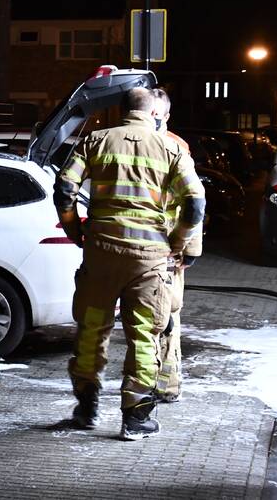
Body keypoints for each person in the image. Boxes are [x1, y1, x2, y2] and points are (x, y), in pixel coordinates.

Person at [54, 86, 205, 440]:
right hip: (150, 261)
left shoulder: (96, 140)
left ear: (119, 112)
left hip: (101, 255)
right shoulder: (171, 147)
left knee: (92, 329)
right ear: (154, 113)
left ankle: (86, 406)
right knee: (144, 336)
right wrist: (178, 244)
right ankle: (135, 419)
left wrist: (77, 232)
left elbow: (64, 188)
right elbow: (195, 204)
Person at [150, 88, 204, 404]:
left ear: (167, 117)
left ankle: (166, 384)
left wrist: (189, 249)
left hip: (167, 247)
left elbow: (192, 202)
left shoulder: (176, 148)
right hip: (149, 247)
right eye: (149, 113)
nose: (152, 120)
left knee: (167, 316)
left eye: (158, 115)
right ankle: (154, 381)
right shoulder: (132, 144)